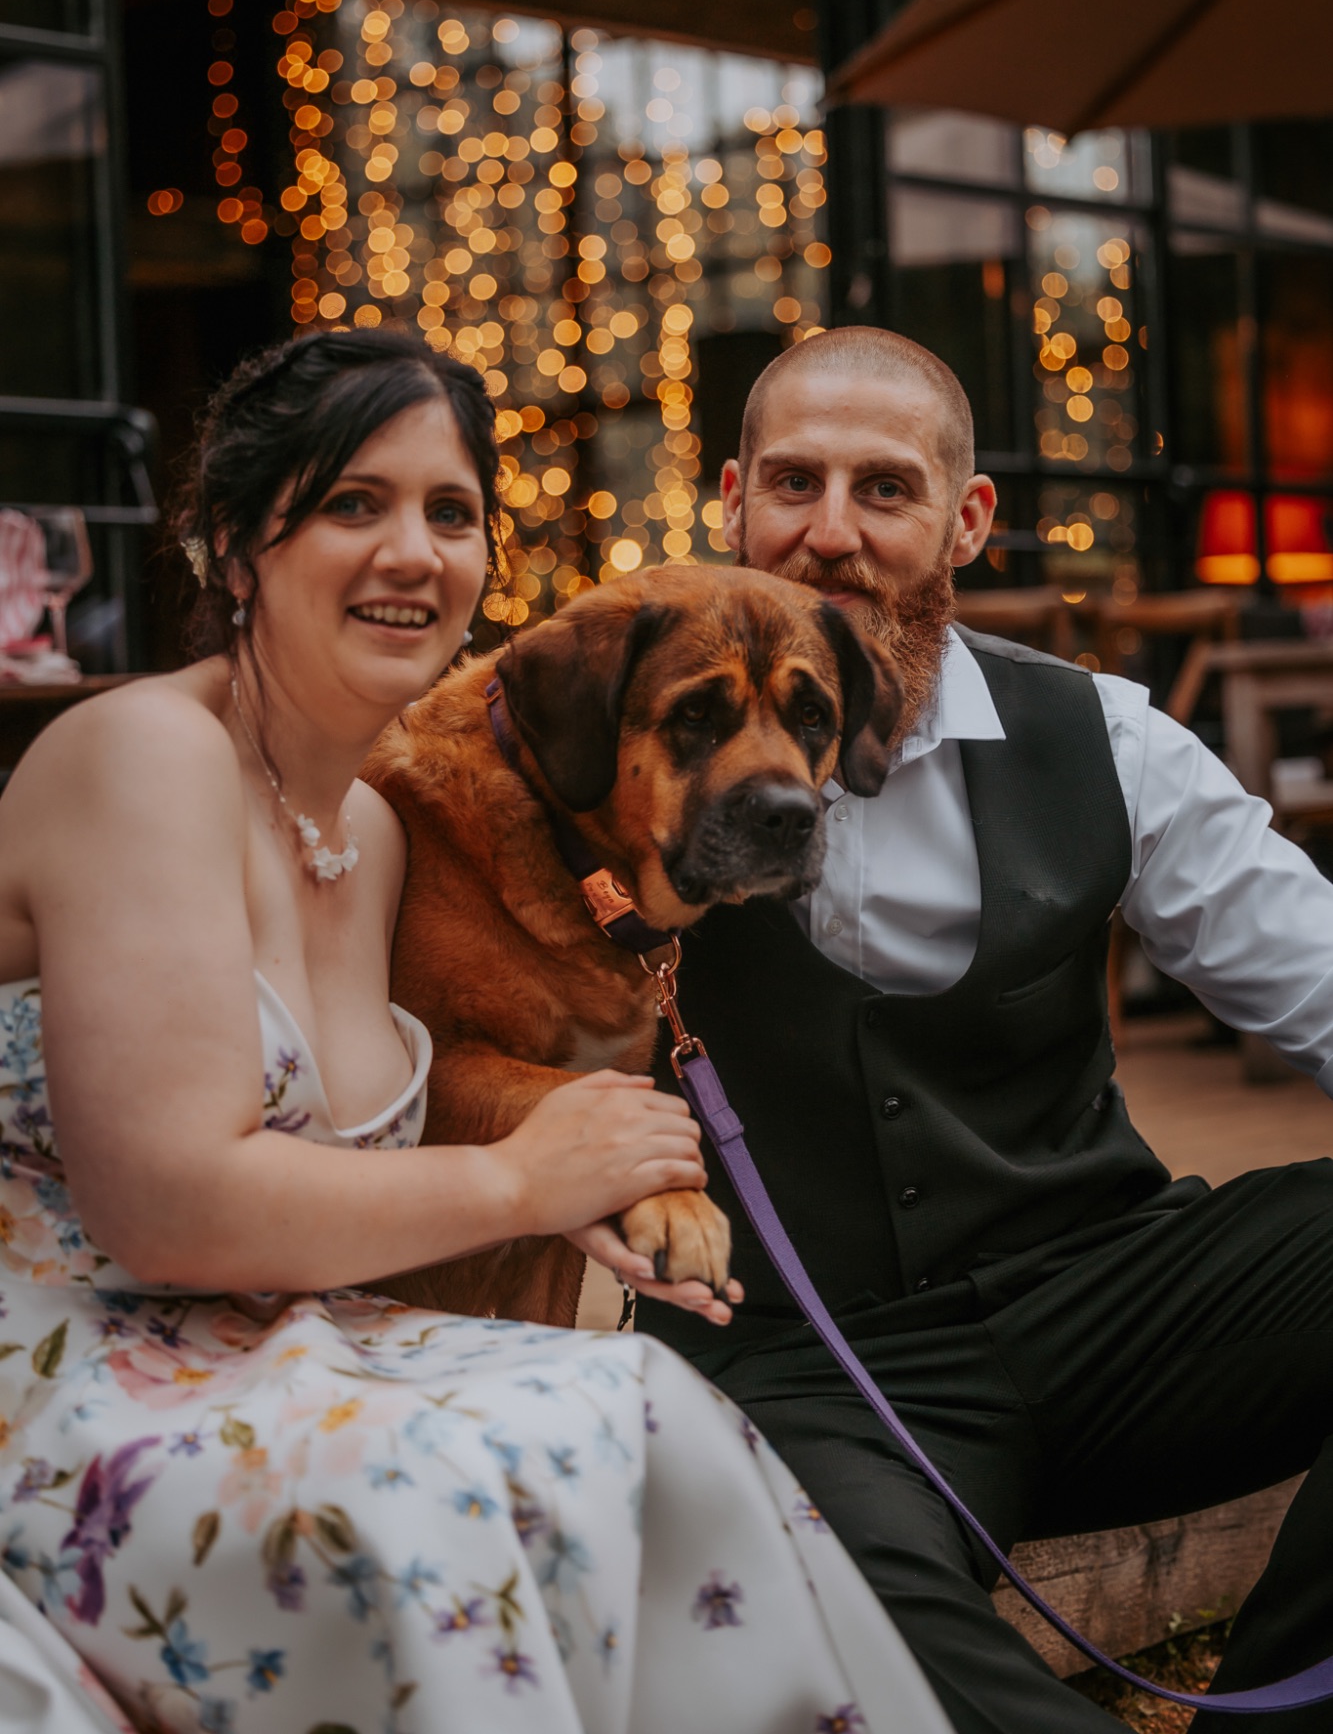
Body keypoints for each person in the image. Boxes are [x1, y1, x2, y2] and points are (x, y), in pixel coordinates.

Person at [0, 330, 951, 1734]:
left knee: (649, 1411)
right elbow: (165, 1209)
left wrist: (572, 1196)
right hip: (64, 1363)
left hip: (287, 1339)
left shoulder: (372, 833)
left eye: (450, 512)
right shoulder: (143, 754)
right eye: (352, 503)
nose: (413, 551)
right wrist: (525, 1179)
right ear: (231, 547)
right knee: (438, 1492)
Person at [635, 323, 1333, 1734]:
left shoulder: (1104, 739)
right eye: (795, 483)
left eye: (884, 489)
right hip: (812, 1368)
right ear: (732, 502)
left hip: (1117, 1313)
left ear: (966, 521)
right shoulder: (615, 743)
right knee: (824, 1595)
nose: (832, 531)